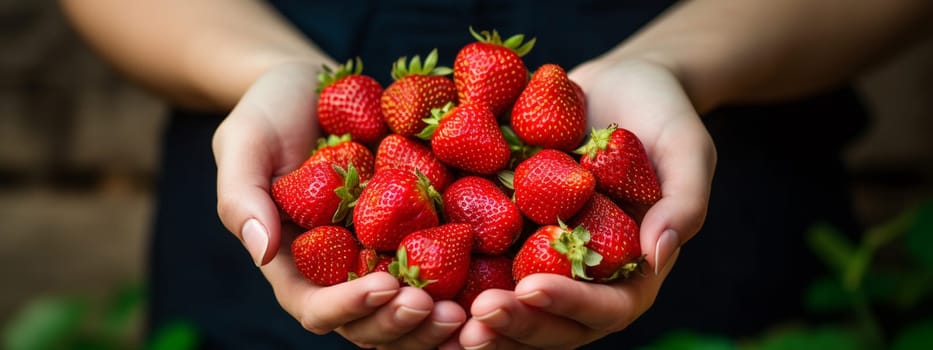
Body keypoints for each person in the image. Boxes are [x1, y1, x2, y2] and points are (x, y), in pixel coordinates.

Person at [60, 0, 931, 348]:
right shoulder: (385, 181)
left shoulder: (493, 169)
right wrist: (259, 71)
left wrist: (683, 64)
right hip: (267, 263)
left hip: (726, 244)